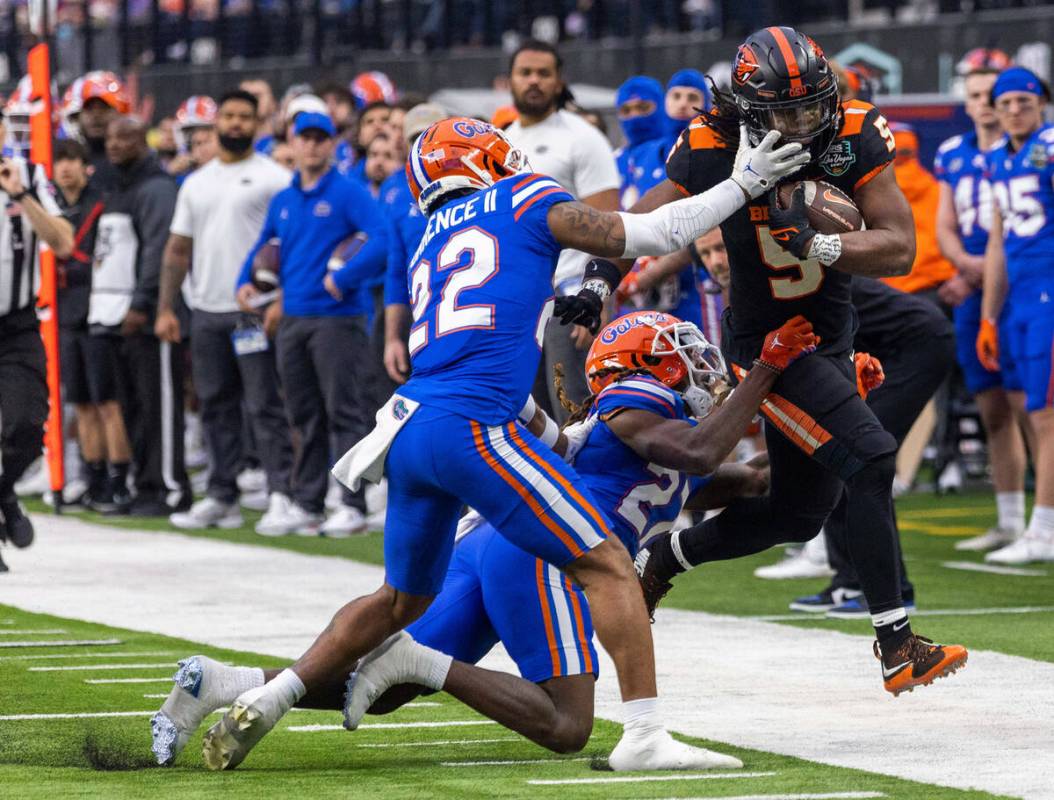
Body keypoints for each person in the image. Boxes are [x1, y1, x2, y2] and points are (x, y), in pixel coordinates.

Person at [195, 115, 808, 771]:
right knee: (605, 563)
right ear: (480, 160)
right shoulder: (523, 198)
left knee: (398, 599)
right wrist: (745, 183)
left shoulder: (431, 234)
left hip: (409, 427)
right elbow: (655, 233)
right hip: (469, 427)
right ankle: (647, 736)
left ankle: (275, 693)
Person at [152, 311, 813, 768]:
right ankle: (418, 660)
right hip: (543, 556)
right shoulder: (641, 402)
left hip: (497, 546)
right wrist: (764, 375)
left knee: (379, 695)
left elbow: (737, 478)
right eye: (686, 357)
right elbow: (699, 454)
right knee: (567, 726)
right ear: (648, 365)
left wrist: (831, 419)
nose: (700, 368)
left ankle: (219, 682)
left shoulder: (649, 433)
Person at [630, 26, 968, 695]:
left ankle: (667, 554)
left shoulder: (854, 132)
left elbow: (899, 247)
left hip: (828, 334)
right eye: (784, 112)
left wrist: (822, 245)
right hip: (767, 346)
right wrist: (592, 276)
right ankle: (897, 645)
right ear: (750, 108)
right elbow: (642, 225)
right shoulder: (709, 143)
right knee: (871, 457)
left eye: (811, 106)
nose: (802, 122)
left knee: (796, 513)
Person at [235, 111, 388, 537]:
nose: (313, 145)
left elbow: (383, 238)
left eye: (322, 138)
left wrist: (344, 277)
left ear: (333, 142)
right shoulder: (285, 199)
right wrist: (242, 282)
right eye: (306, 138)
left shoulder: (348, 192)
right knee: (303, 414)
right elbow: (265, 244)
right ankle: (308, 501)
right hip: (294, 317)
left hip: (339, 319)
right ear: (294, 141)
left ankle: (352, 503)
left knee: (345, 411)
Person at [155, 89, 295, 534]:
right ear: (217, 123)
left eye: (244, 117)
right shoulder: (196, 182)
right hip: (206, 311)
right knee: (214, 404)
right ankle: (222, 494)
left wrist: (283, 298)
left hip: (250, 312)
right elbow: (178, 249)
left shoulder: (275, 178)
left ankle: (280, 494)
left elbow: (291, 245)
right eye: (229, 116)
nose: (235, 123)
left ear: (257, 124)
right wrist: (166, 307)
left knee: (262, 402)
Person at [935, 66, 1034, 552]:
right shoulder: (953, 154)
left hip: (1024, 282)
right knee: (992, 405)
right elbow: (944, 225)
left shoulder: (1031, 152)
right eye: (976, 95)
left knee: (1032, 404)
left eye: (991, 94)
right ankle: (1010, 517)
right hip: (978, 286)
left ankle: (1043, 521)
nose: (987, 104)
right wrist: (968, 267)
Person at [504, 40, 621, 421]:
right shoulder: (500, 140)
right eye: (525, 73)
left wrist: (599, 300)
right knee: (526, 422)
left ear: (559, 81)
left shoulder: (583, 138)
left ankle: (582, 484)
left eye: (543, 73)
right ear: (509, 81)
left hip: (568, 298)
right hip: (516, 304)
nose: (534, 81)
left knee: (574, 416)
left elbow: (611, 229)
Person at [88, 116, 191, 516]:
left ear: (142, 141)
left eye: (124, 138)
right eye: (110, 137)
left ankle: (169, 488)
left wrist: (142, 303)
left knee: (159, 406)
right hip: (118, 316)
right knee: (133, 406)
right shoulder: (119, 186)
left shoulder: (157, 188)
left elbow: (159, 252)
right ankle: (142, 485)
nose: (114, 145)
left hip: (150, 318)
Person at [977, 66, 1054, 564]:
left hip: (1049, 291)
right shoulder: (999, 160)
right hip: (1020, 299)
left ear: (1040, 103)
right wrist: (988, 314)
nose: (1014, 109)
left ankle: (1043, 529)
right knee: (1029, 406)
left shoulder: (1049, 145)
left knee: (1046, 415)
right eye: (1006, 102)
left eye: (1024, 101)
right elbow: (999, 242)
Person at [0, 110, 74, 569]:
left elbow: (63, 241)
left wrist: (21, 194)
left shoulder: (29, 175)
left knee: (28, 424)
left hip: (15, 324)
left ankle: (4, 493)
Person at [51, 139, 130, 512]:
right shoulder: (48, 208)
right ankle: (92, 477)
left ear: (85, 165)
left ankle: (118, 480)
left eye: (71, 160)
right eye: (59, 161)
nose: (65, 167)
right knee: (80, 403)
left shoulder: (102, 203)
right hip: (66, 314)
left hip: (99, 311)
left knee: (107, 402)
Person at [614, 75, 704, 329]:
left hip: (692, 282)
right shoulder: (626, 158)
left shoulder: (702, 152)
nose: (635, 118)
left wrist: (654, 269)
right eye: (626, 110)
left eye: (643, 108)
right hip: (635, 285)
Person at [61, 71, 131, 191]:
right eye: (89, 109)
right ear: (77, 116)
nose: (96, 115)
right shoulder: (65, 159)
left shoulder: (133, 159)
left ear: (120, 113)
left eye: (104, 108)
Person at [664, 68, 711, 140]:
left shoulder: (717, 149)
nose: (682, 104)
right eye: (676, 96)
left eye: (692, 98)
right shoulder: (645, 150)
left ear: (705, 104)